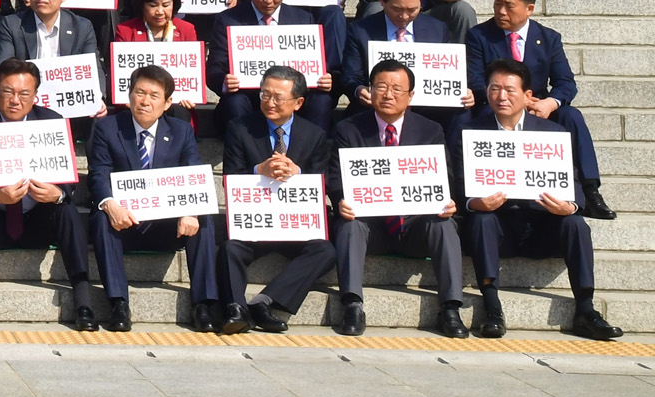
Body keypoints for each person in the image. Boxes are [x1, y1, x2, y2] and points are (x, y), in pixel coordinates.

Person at [450, 59, 621, 341]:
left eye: (509, 90)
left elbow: (573, 182)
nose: (501, 96)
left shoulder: (552, 133)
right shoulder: (469, 132)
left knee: (575, 223)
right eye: (494, 89)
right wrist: (474, 203)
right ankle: (491, 306)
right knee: (481, 219)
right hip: (498, 228)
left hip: (541, 224)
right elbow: (459, 185)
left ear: (528, 95)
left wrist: (570, 205)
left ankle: (586, 309)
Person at [0, 58, 96, 332]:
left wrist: (57, 193)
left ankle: (84, 302)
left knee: (67, 208)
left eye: (24, 93)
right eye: (8, 91)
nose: (15, 100)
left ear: (35, 95)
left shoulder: (51, 121)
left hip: (36, 216)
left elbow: (67, 178)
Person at [328, 58, 467, 338]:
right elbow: (335, 178)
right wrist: (341, 199)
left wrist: (447, 200)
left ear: (410, 95)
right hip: (371, 226)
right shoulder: (349, 129)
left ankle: (450, 308)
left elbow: (445, 177)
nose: (388, 94)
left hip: (414, 225)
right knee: (349, 225)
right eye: (380, 87)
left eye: (396, 89)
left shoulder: (430, 130)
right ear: (370, 91)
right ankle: (352, 305)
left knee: (444, 224)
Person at [465, 0, 611, 219]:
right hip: (498, 107)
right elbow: (477, 80)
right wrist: (515, 101)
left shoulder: (548, 38)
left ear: (529, 8)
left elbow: (566, 82)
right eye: (497, 3)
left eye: (509, 6)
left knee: (571, 116)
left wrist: (549, 103)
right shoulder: (479, 36)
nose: (501, 11)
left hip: (537, 109)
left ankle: (590, 192)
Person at [87, 64, 221, 333]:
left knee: (203, 219)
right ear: (129, 95)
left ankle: (203, 305)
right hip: (125, 221)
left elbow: (193, 173)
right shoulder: (107, 127)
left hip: (166, 224)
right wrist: (111, 204)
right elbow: (99, 173)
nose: (145, 101)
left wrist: (191, 211)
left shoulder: (181, 131)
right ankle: (118, 303)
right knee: (101, 217)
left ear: (167, 102)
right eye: (139, 93)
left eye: (154, 95)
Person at [217, 65, 336, 334]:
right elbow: (230, 177)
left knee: (325, 251)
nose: (269, 102)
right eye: (265, 95)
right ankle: (235, 309)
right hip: (255, 221)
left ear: (298, 102)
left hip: (293, 223)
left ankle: (265, 301)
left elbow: (323, 182)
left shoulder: (314, 135)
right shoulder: (240, 128)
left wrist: (298, 173)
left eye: (278, 97)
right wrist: (258, 170)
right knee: (230, 248)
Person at [208, 0, 331, 132]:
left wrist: (322, 79)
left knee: (321, 100)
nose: (268, 0)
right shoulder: (228, 20)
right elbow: (214, 69)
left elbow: (313, 66)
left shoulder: (304, 19)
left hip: (289, 99)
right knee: (234, 102)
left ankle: (313, 148)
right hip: (249, 99)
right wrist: (225, 82)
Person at [342, 0, 467, 111]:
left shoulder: (437, 29)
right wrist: (359, 90)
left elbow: (449, 75)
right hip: (378, 108)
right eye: (397, 9)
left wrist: (463, 92)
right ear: (382, 0)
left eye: (412, 10)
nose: (404, 16)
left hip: (427, 111)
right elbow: (350, 77)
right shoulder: (360, 31)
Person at [112, 0, 200, 120]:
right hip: (139, 102)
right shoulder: (125, 31)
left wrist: (191, 96)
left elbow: (194, 72)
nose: (160, 11)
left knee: (180, 114)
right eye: (153, 5)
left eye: (166, 5)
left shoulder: (186, 29)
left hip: (174, 103)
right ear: (142, 5)